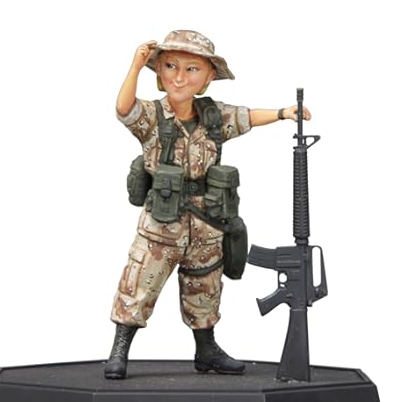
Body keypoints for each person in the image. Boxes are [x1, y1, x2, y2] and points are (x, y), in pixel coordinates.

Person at [104, 30, 311, 379]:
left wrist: (282, 113)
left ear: (208, 77)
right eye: (170, 66)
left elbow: (246, 116)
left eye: (192, 69)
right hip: (161, 225)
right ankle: (119, 349)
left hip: (207, 223)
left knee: (205, 288)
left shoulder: (214, 116)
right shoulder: (153, 116)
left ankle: (206, 350)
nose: (179, 77)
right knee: (139, 286)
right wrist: (136, 65)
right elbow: (124, 109)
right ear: (159, 72)